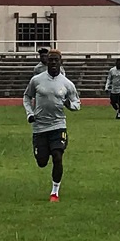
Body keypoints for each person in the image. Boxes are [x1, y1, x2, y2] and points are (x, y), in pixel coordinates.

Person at [23, 49, 80, 202]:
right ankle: (43, 151)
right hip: (40, 127)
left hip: (58, 126)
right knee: (42, 162)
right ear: (46, 62)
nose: (53, 63)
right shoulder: (37, 80)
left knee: (57, 156)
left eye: (56, 60)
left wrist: (69, 105)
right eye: (51, 60)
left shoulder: (67, 84)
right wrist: (30, 113)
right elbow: (27, 97)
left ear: (61, 62)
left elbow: (77, 103)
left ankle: (55, 192)